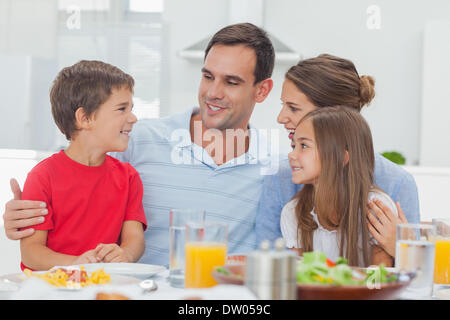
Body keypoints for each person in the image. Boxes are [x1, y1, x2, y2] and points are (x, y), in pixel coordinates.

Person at [3, 23, 275, 266]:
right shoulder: (137, 140)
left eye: (231, 82)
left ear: (261, 90)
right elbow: (74, 168)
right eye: (207, 76)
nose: (213, 93)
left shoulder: (276, 169)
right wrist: (23, 214)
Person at [256, 54, 419, 261]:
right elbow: (272, 264)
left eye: (293, 108)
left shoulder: (396, 184)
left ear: (332, 117)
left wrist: (401, 250)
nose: (280, 118)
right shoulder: (282, 181)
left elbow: (402, 277)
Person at [18, 60, 147, 271]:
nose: (133, 118)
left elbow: (135, 239)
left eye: (131, 108)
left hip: (103, 285)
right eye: (122, 109)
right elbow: (31, 252)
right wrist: (75, 264)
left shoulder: (128, 177)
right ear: (85, 118)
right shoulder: (43, 176)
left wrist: (125, 253)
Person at [282, 106, 404, 267]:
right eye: (293, 146)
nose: (291, 154)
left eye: (304, 146)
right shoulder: (294, 211)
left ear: (341, 157)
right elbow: (301, 280)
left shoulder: (375, 207)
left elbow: (376, 283)